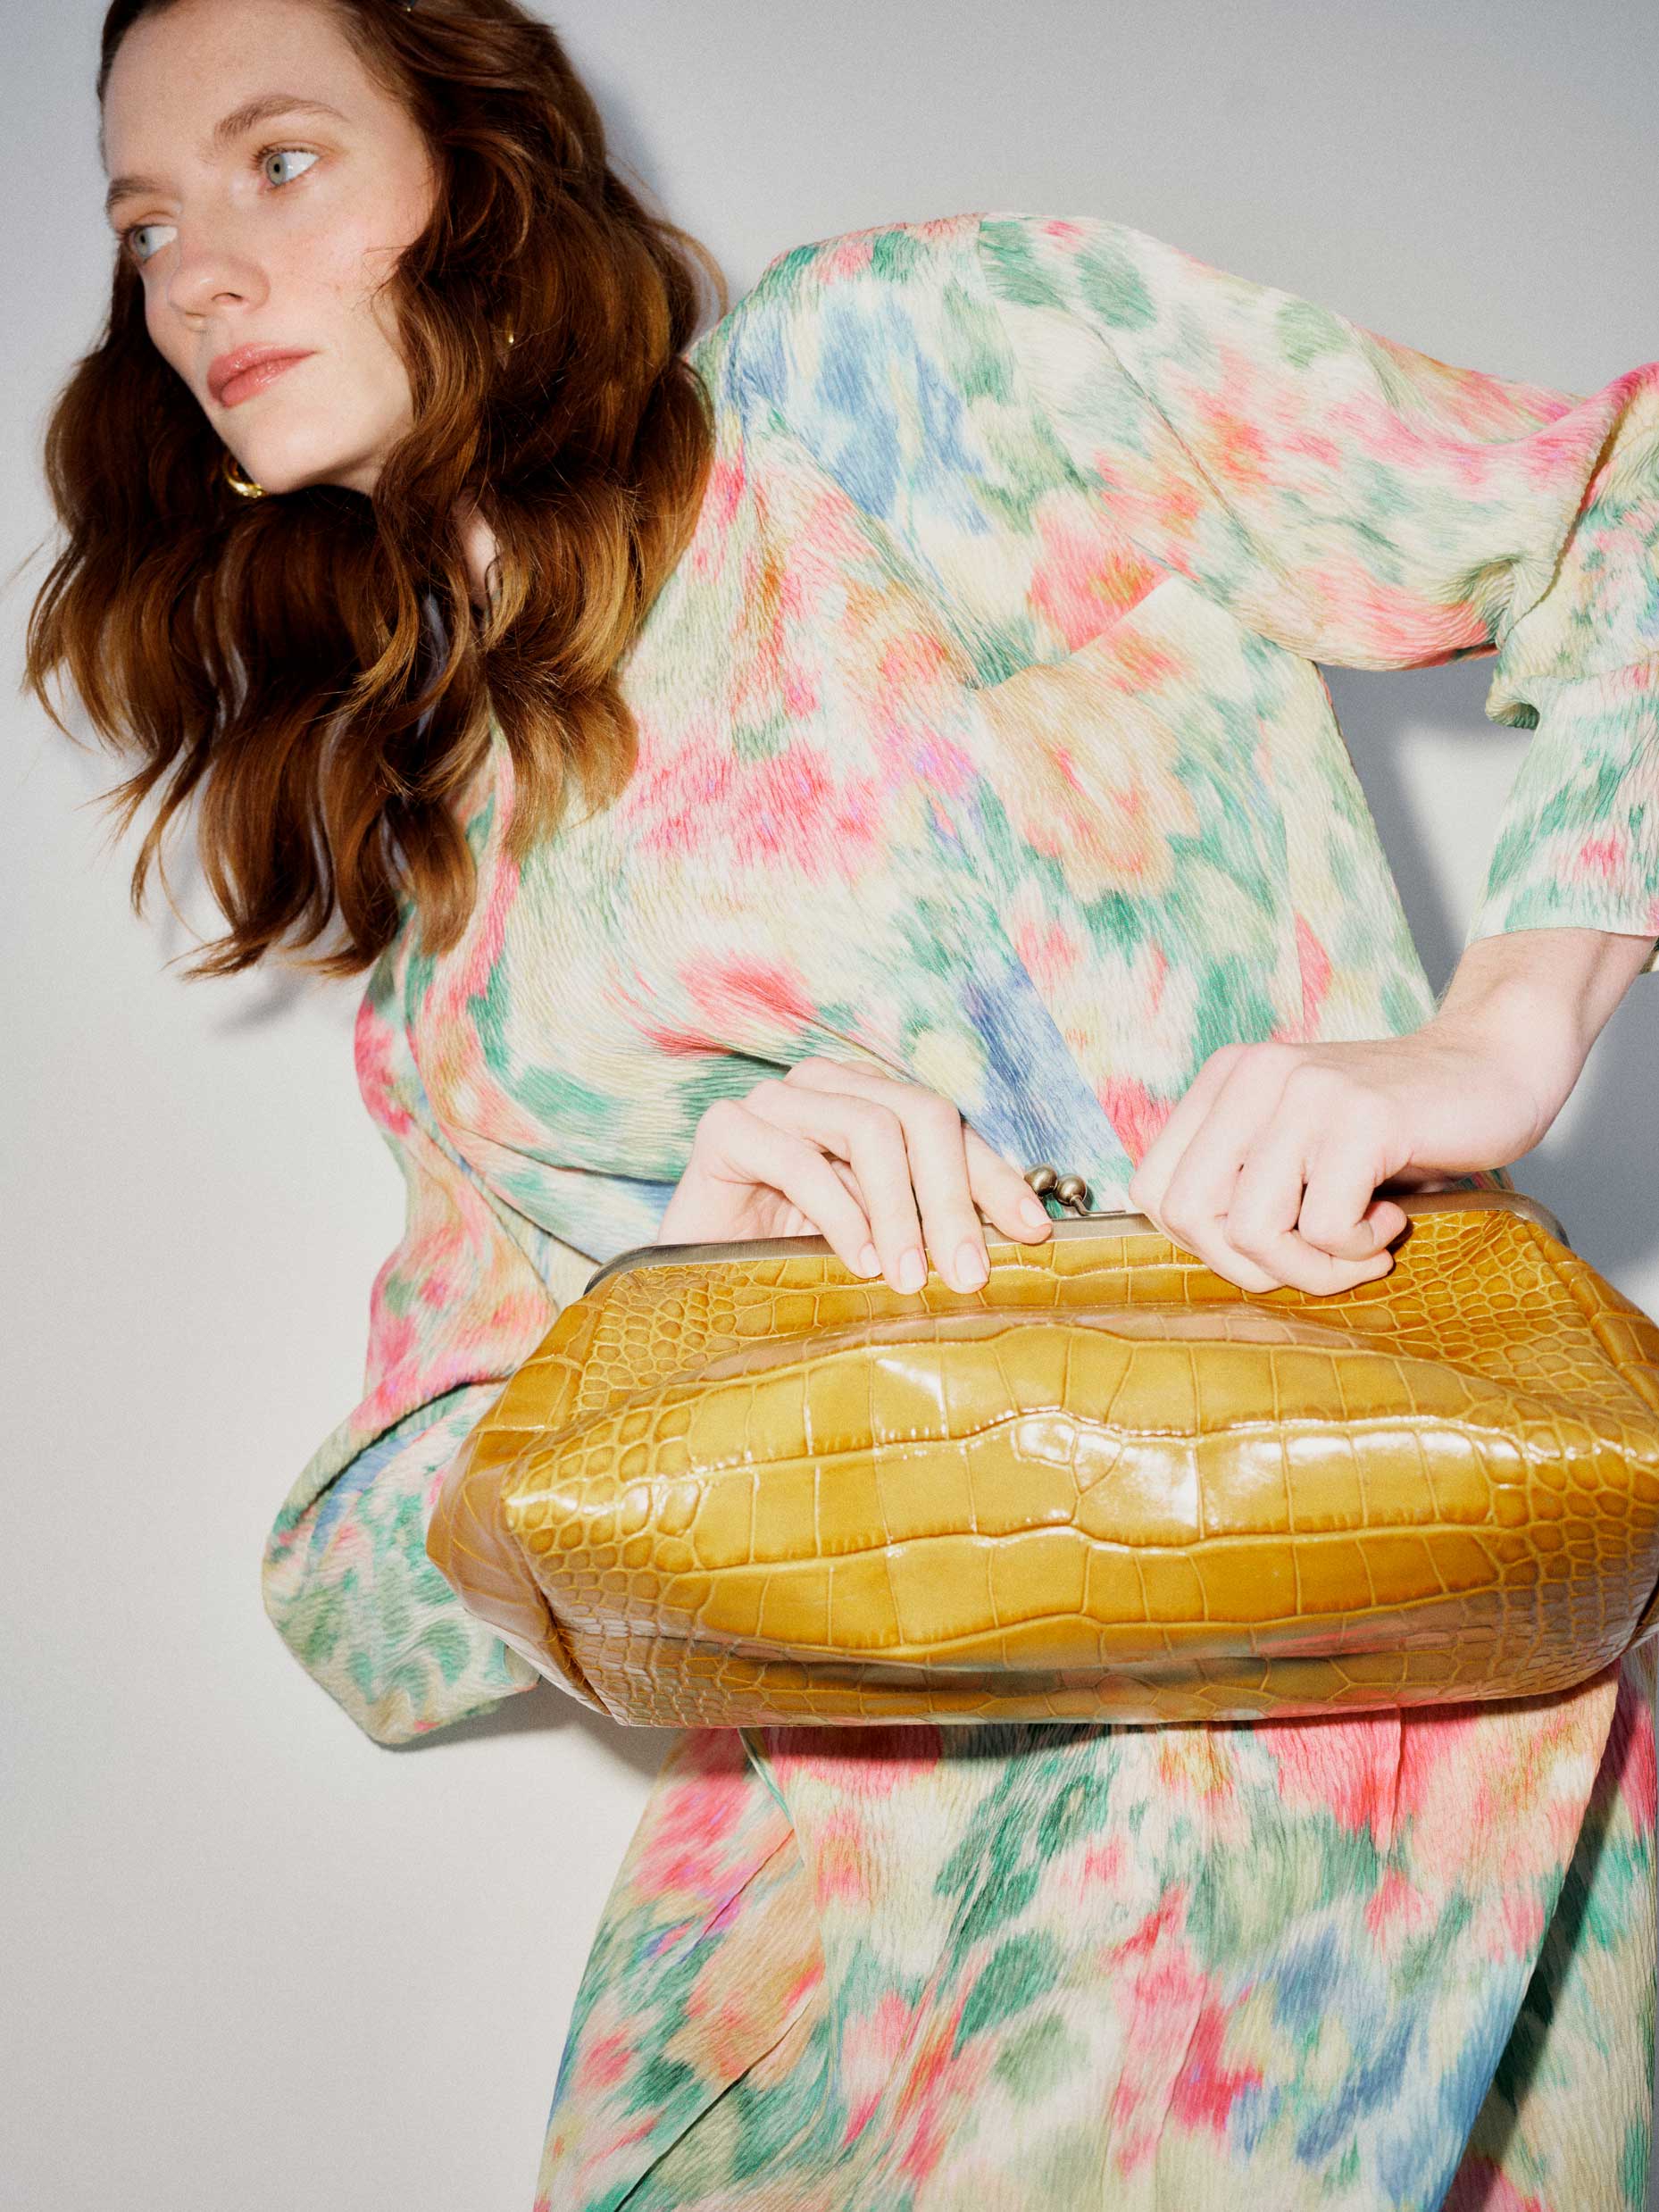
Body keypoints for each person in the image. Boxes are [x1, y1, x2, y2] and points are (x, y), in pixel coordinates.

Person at [28, 0, 1659, 2204]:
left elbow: (1620, 502)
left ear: (485, 173)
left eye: (278, 160)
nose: (196, 275)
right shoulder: (450, 903)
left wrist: (1502, 1029)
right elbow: (358, 1597)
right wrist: (669, 1309)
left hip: (1320, 1821)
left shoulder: (890, 384)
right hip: (826, 1940)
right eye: (143, 223)